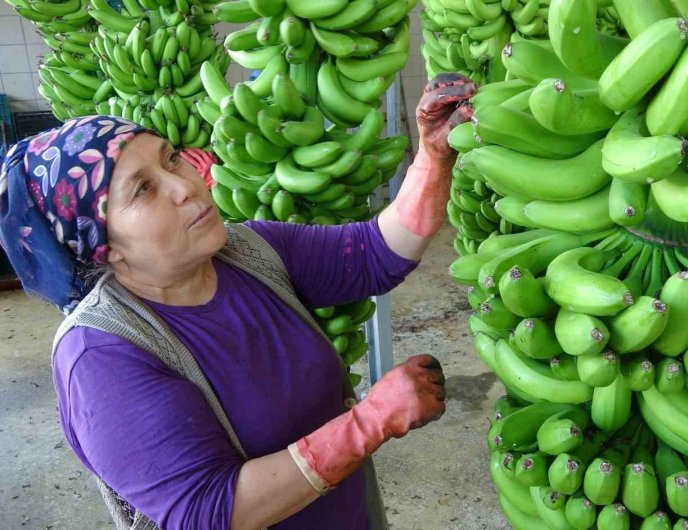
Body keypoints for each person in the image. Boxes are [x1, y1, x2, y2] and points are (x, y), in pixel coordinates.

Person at [0, 73, 477, 530]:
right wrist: (367, 423)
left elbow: (375, 253)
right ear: (103, 246)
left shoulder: (249, 251)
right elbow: (208, 512)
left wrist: (432, 159)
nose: (185, 186)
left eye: (170, 160)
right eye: (143, 189)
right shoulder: (103, 355)